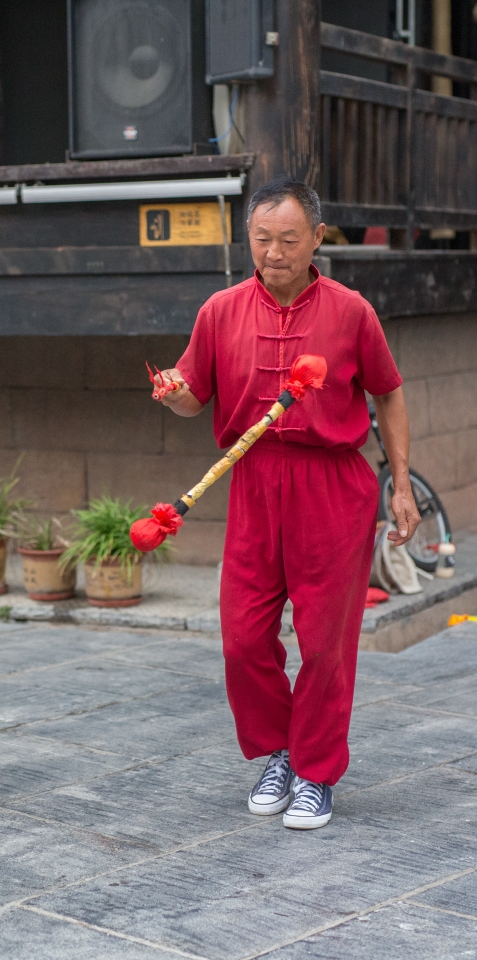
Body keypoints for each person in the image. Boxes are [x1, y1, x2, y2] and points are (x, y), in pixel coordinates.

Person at [155, 179, 420, 830]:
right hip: (252, 481)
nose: (273, 253)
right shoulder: (219, 311)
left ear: (317, 240)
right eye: (262, 239)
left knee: (326, 645)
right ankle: (279, 750)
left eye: (288, 240)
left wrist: (403, 482)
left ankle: (316, 771)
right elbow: (197, 394)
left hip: (332, 485)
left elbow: (387, 392)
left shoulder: (351, 311)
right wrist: (175, 394)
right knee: (244, 639)